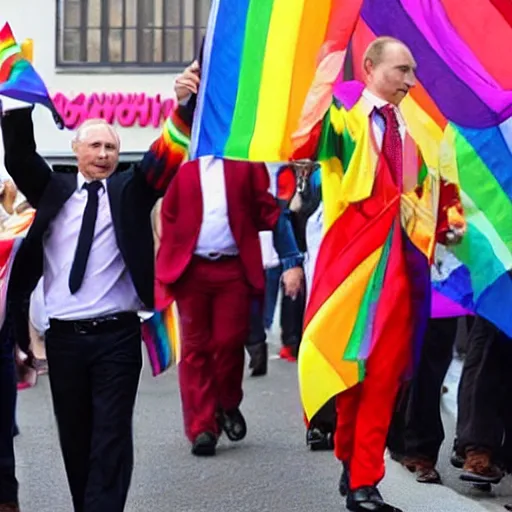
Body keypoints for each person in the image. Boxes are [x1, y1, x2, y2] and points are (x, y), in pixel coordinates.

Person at [293, 37, 465, 511]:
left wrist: (449, 222)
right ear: (369, 68)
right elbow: (305, 140)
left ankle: (363, 479)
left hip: (403, 267)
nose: (410, 82)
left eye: (412, 72)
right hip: (351, 267)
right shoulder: (344, 123)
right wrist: (321, 69)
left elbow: (428, 188)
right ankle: (354, 465)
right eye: (401, 70)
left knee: (385, 375)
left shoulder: (416, 130)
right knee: (350, 371)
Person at [0, 96, 183, 511]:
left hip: (116, 338)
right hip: (64, 340)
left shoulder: (129, 192)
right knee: (77, 440)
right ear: (76, 150)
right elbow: (20, 156)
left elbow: (161, 160)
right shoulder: (54, 190)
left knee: (111, 438)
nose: (103, 155)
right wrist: (15, 99)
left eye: (111, 148)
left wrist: (185, 105)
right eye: (95, 146)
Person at [156, 63, 304, 456]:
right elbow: (165, 214)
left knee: (228, 343)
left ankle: (226, 401)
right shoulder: (181, 167)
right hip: (192, 271)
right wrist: (183, 101)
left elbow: (271, 211)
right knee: (195, 350)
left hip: (232, 271)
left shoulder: (244, 164)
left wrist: (291, 259)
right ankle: (201, 427)